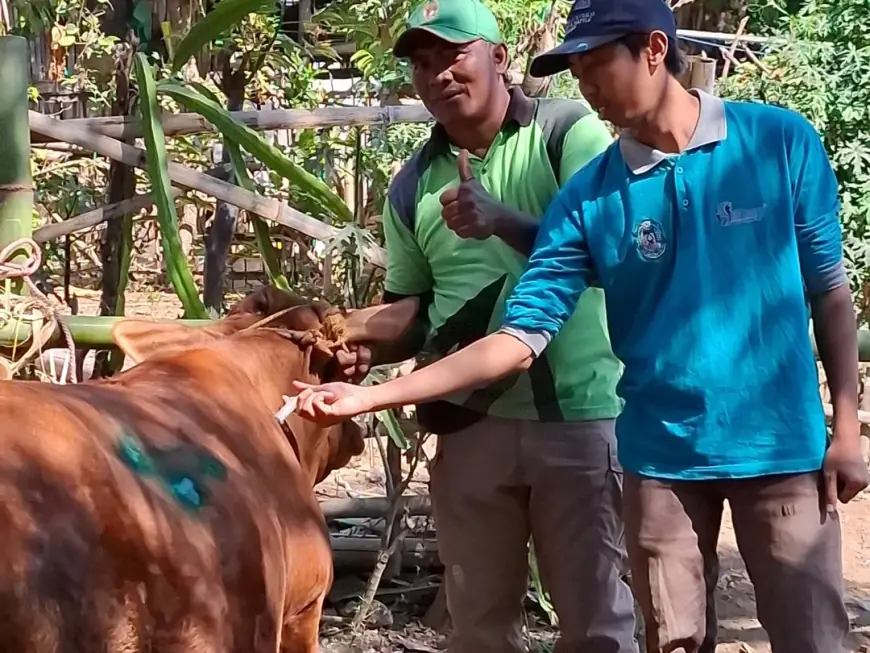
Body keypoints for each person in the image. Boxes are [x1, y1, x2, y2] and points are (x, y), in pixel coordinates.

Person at [295, 0, 870, 651]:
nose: (587, 86)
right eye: (577, 69)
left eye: (597, 64)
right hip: (661, 460)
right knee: (673, 640)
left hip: (781, 449)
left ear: (655, 49)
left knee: (816, 637)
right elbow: (517, 340)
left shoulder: (778, 143)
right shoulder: (588, 199)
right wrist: (369, 395)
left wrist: (845, 429)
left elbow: (829, 292)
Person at [326, 0, 640, 651]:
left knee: (595, 623)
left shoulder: (566, 134)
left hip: (578, 419)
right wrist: (360, 337)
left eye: (452, 54)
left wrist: (505, 220)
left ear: (500, 59)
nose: (437, 72)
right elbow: (412, 311)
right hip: (470, 429)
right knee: (479, 625)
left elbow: (613, 255)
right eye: (421, 61)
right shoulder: (411, 186)